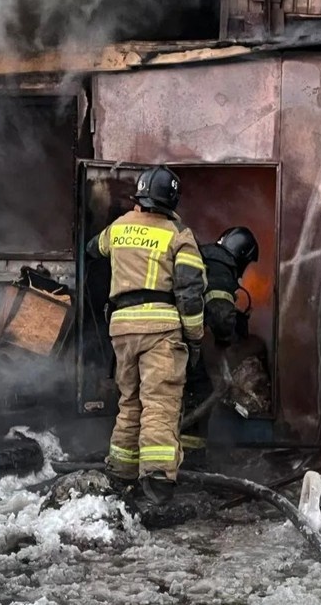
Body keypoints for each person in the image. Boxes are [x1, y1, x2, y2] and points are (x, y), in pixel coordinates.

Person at [86, 165, 206, 505]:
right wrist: (194, 336)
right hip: (161, 332)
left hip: (122, 330)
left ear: (139, 197)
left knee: (130, 402)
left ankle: (121, 473)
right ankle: (156, 479)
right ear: (171, 200)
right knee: (161, 403)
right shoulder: (179, 235)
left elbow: (94, 249)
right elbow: (190, 293)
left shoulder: (120, 227)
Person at [180, 227, 260, 458]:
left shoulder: (206, 257)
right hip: (177, 340)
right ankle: (191, 461)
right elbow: (220, 315)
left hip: (166, 335)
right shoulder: (220, 268)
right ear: (242, 255)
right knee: (199, 392)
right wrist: (227, 338)